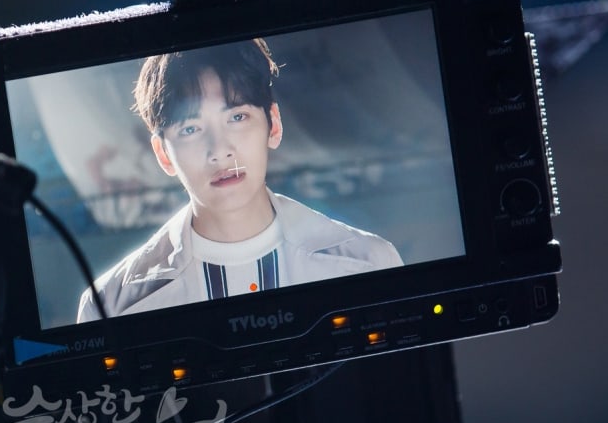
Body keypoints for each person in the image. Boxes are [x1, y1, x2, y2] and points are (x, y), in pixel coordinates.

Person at [76, 39, 403, 322]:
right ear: (163, 154)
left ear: (273, 124)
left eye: (237, 117)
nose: (219, 151)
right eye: (190, 129)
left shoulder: (371, 263)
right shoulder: (109, 305)